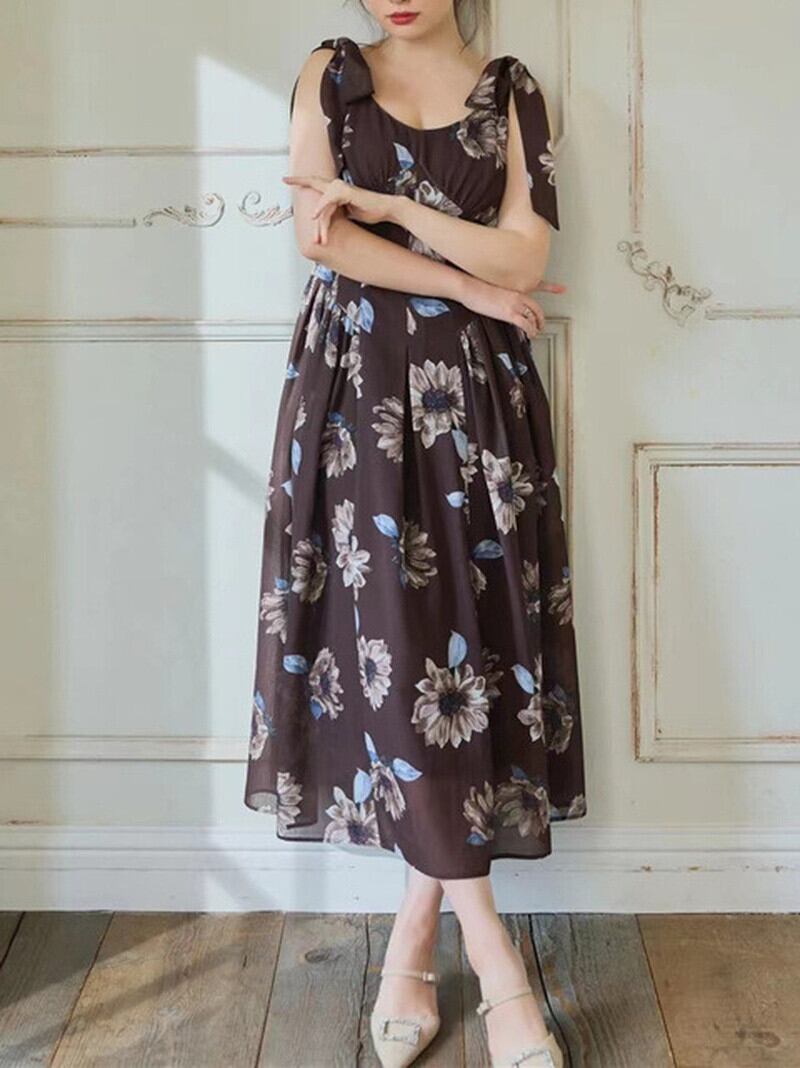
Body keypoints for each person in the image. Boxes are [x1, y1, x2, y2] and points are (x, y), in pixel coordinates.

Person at [244, 1, 587, 1064]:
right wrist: (460, 279)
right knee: (391, 654)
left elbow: (525, 257)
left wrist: (391, 207)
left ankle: (410, 939)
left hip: (480, 399)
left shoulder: (512, 90)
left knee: (463, 658)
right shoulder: (331, 73)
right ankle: (493, 958)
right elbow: (321, 237)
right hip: (353, 392)